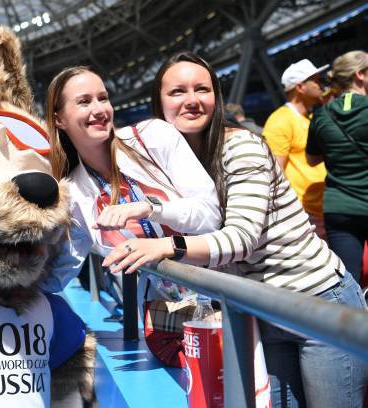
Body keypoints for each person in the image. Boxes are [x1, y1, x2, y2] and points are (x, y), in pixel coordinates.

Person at [103, 51, 368, 407]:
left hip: (315, 302)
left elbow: (241, 239)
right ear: (159, 104)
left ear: (217, 97)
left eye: (202, 89)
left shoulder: (239, 146)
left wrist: (167, 246)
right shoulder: (171, 165)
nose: (192, 100)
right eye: (177, 92)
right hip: (260, 312)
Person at [40, 66, 221, 296]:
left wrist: (150, 209)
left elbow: (211, 215)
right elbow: (56, 274)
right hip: (159, 311)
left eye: (103, 98)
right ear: (59, 119)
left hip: (221, 294)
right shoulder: (73, 193)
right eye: (84, 102)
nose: (99, 109)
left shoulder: (153, 136)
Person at [306, 50, 368, 286]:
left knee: (349, 281)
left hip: (338, 208)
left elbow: (312, 159)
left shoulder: (321, 115)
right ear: (360, 74)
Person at [262, 59, 328, 238]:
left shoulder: (311, 117)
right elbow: (275, 173)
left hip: (323, 209)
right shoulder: (280, 121)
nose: (322, 84)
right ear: (300, 87)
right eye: (316, 80)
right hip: (305, 214)